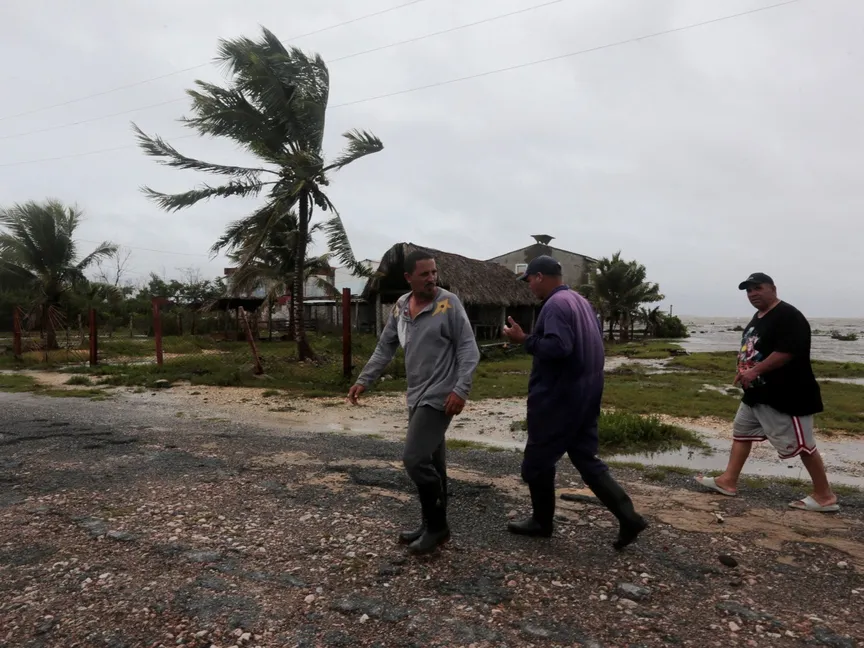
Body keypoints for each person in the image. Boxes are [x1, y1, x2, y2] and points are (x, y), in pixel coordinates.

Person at [502, 255, 647, 550]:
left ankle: (541, 522)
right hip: (586, 393)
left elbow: (559, 347)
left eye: (529, 280)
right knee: (584, 457)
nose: (529, 286)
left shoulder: (555, 305)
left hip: (559, 397)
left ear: (539, 276)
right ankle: (629, 517)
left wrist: (523, 339)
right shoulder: (580, 301)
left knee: (537, 462)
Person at [347, 250, 481, 554]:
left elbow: (468, 349)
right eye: (425, 274)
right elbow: (385, 347)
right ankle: (431, 524)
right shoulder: (401, 307)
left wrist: (461, 390)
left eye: (434, 272)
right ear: (409, 277)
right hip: (416, 394)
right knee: (433, 462)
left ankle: (437, 527)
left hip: (441, 395)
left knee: (414, 459)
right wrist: (364, 379)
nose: (432, 278)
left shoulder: (449, 304)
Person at [695, 273, 839, 512]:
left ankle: (824, 496)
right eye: (748, 290)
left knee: (803, 446)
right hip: (756, 393)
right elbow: (754, 347)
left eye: (757, 288)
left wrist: (754, 371)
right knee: (742, 433)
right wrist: (743, 370)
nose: (752, 294)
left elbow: (787, 351)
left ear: (773, 288)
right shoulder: (759, 317)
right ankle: (728, 481)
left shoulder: (788, 315)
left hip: (787, 395)